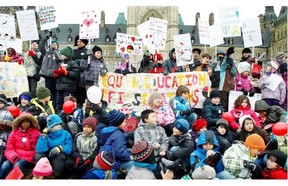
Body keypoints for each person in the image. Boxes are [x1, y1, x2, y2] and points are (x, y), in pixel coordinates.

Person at [0, 113, 41, 178]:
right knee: (5, 165)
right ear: (19, 123)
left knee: (17, 165)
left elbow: (38, 148)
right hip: (15, 156)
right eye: (23, 122)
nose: (25, 124)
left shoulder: (37, 133)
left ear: (31, 123)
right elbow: (9, 148)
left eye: (27, 121)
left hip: (28, 158)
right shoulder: (13, 133)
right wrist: (13, 156)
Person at [34, 114, 73, 178]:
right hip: (47, 155)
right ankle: (42, 173)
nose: (59, 126)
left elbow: (69, 148)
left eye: (60, 124)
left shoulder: (66, 134)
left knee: (59, 156)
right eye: (56, 124)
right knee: (38, 156)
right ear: (50, 126)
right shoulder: (46, 135)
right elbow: (40, 150)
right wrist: (43, 136)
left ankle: (57, 176)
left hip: (59, 155)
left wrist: (60, 148)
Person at [80, 45, 108, 117]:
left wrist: (105, 71)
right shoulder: (90, 60)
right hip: (90, 82)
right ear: (94, 53)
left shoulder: (102, 63)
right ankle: (87, 113)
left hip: (99, 83)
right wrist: (85, 58)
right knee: (90, 99)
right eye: (98, 52)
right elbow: (82, 66)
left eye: (100, 53)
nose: (99, 54)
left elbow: (106, 71)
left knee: (98, 99)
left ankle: (97, 113)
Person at [53, 46, 80, 113]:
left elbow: (76, 74)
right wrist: (56, 74)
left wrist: (66, 72)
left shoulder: (73, 63)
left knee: (67, 103)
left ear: (66, 55)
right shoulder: (61, 63)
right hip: (60, 87)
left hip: (68, 88)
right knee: (58, 102)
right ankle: (59, 113)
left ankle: (68, 114)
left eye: (62, 54)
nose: (60, 55)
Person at [39, 33, 61, 107]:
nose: (53, 45)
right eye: (52, 44)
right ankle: (48, 105)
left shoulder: (59, 53)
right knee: (48, 92)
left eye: (55, 44)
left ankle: (54, 106)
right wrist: (46, 38)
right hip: (47, 75)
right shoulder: (46, 53)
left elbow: (59, 59)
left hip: (55, 76)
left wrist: (54, 50)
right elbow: (41, 46)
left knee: (55, 93)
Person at [218, 47, 238, 111]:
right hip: (223, 88)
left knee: (230, 105)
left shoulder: (232, 67)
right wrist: (227, 55)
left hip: (231, 88)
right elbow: (223, 63)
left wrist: (232, 65)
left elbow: (235, 73)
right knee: (224, 105)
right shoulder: (223, 69)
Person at [72, 35, 89, 108]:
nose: (78, 43)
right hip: (76, 75)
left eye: (80, 41)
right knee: (76, 94)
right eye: (78, 41)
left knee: (83, 93)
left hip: (84, 76)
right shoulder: (74, 51)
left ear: (84, 43)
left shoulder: (88, 52)